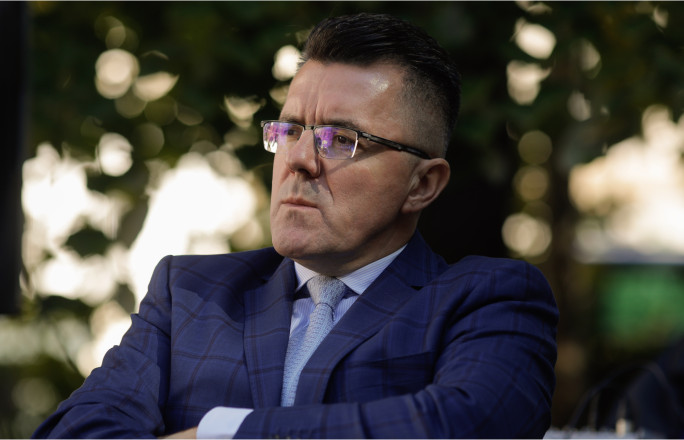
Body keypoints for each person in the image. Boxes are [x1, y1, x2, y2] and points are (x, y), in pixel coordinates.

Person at [33, 12, 558, 439]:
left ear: (422, 184)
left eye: (341, 139)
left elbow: (466, 425)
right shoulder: (189, 292)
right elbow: (75, 431)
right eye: (289, 130)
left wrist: (222, 435)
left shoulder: (488, 299)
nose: (298, 159)